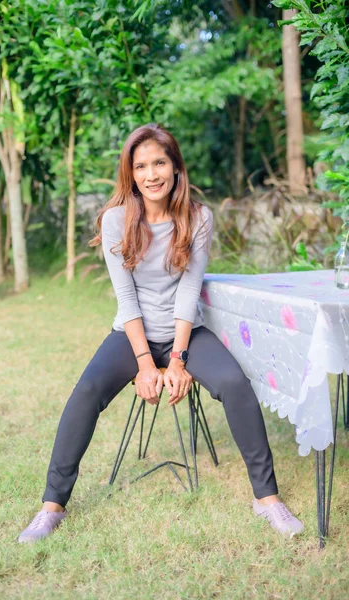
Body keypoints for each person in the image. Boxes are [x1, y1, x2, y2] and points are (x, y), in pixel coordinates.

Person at [18, 123, 304, 543]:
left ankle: (268, 499)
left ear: (174, 168)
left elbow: (190, 292)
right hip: (132, 335)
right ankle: (51, 506)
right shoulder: (116, 220)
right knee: (86, 391)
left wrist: (178, 359)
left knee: (234, 383)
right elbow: (126, 299)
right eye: (141, 166)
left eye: (159, 163)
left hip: (184, 334)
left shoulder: (198, 217)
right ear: (130, 174)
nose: (151, 174)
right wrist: (144, 364)